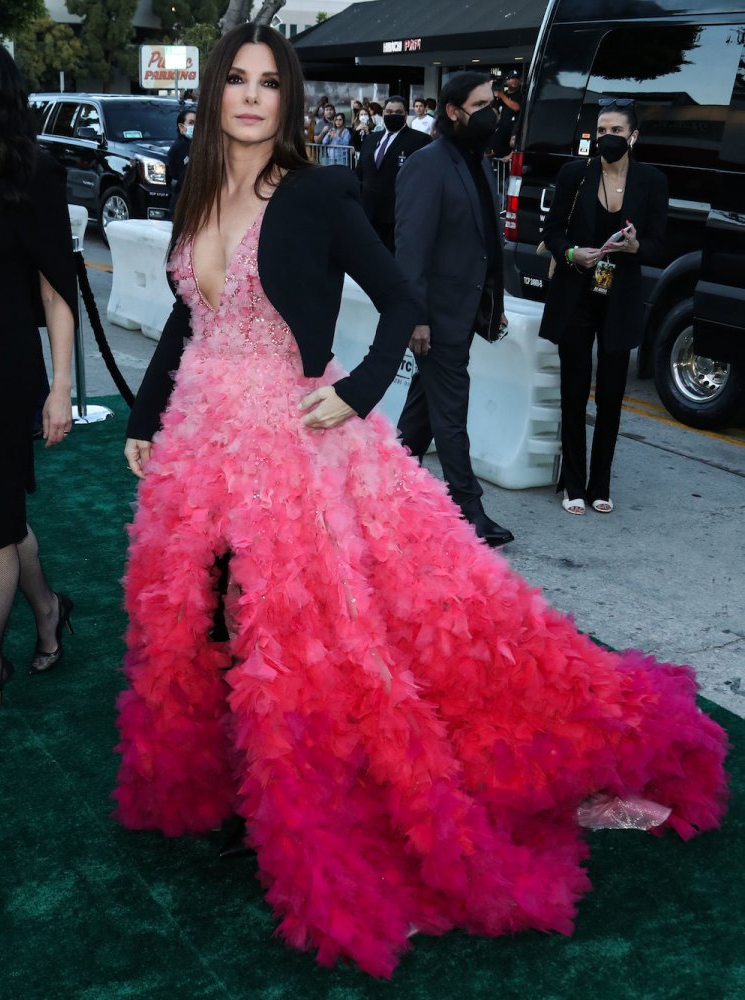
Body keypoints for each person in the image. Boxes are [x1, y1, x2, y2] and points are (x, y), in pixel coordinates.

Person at [114, 25, 727, 980]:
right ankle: (234, 785)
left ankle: (302, 793)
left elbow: (404, 301)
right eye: (234, 80)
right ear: (215, 94)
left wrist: (356, 392)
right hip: (198, 443)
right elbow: (190, 329)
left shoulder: (315, 193)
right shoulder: (198, 198)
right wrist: (145, 418)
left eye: (267, 83)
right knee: (206, 619)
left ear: (288, 98)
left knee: (302, 636)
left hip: (295, 444)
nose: (247, 97)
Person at [395, 72, 513, 548]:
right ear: (452, 110)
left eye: (493, 102)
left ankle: (383, 482)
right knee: (450, 411)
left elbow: (486, 241)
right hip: (437, 315)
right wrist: (415, 316)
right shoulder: (428, 164)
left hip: (465, 311)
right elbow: (411, 249)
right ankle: (468, 510)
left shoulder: (477, 161)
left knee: (423, 410)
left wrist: (494, 303)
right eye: (481, 103)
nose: (492, 111)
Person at [0, 44, 78, 704]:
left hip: (4, 370)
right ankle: (47, 608)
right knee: (3, 516)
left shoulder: (33, 172)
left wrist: (60, 388)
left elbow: (56, 293)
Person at [538, 99, 668, 515]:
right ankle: (572, 482)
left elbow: (661, 242)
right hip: (576, 294)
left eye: (615, 131)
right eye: (601, 130)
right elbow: (552, 230)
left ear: (633, 136)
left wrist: (636, 246)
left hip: (621, 296)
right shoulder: (575, 174)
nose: (606, 138)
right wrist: (572, 252)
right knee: (574, 391)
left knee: (611, 395)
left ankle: (600, 483)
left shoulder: (651, 181)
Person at [355, 95, 430, 252]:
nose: (393, 115)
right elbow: (360, 171)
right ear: (383, 113)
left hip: (398, 215)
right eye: (389, 111)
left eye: (398, 112)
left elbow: (425, 181)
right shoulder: (371, 139)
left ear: (405, 115)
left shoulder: (420, 141)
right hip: (368, 214)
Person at [168, 107, 196, 212]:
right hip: (185, 204)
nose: (195, 127)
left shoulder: (192, 145)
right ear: (181, 126)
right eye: (191, 123)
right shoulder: (182, 147)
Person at [491, 71, 522, 158]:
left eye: (517, 79)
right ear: (507, 81)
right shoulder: (503, 96)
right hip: (500, 132)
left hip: (512, 133)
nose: (515, 81)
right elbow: (495, 111)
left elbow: (516, 107)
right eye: (512, 78)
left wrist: (502, 96)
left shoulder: (521, 95)